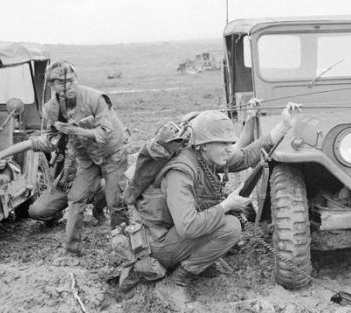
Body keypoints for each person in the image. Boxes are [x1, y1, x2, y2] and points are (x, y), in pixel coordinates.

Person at [126, 103, 301, 298]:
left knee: (226, 222)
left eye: (229, 143)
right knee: (230, 227)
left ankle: (194, 261)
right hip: (156, 245)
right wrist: (226, 206)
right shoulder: (180, 172)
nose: (229, 149)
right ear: (203, 144)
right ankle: (175, 282)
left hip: (172, 235)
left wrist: (284, 126)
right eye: (223, 144)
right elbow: (188, 227)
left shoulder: (202, 157)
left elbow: (245, 157)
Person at [43, 61, 129, 255]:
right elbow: (51, 136)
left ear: (76, 79)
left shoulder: (95, 98)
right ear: (52, 86)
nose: (68, 87)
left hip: (112, 153)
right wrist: (57, 137)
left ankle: (123, 247)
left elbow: (104, 133)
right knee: (76, 198)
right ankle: (71, 250)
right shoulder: (50, 109)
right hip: (86, 158)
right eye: (61, 83)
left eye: (71, 81)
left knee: (116, 202)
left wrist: (75, 130)